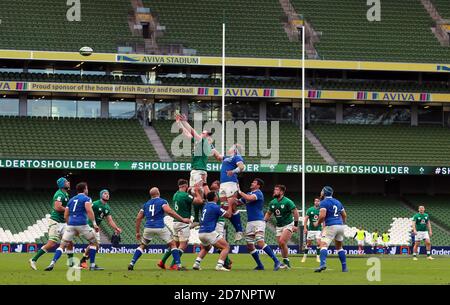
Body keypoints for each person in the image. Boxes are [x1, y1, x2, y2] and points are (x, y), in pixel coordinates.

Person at [128, 187, 191, 270]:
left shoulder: (146, 204)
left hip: (148, 227)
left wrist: (137, 232)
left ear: (151, 195)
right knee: (173, 244)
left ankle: (132, 263)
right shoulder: (162, 201)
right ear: (158, 193)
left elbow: (138, 218)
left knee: (142, 245)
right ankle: (178, 265)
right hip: (160, 227)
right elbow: (169, 211)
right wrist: (182, 219)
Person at [44, 182, 102, 271]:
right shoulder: (87, 199)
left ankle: (52, 263)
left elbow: (66, 215)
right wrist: (94, 223)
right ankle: (93, 265)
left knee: (62, 245)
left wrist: (69, 224)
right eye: (87, 188)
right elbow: (89, 210)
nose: (87, 190)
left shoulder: (71, 200)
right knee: (94, 243)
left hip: (71, 224)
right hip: (82, 224)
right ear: (84, 189)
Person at [29, 177, 74, 270]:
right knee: (51, 243)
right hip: (56, 221)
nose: (68, 182)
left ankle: (71, 264)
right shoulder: (59, 194)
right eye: (66, 182)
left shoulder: (65, 194)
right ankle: (33, 259)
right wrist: (68, 210)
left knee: (69, 242)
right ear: (62, 184)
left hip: (62, 222)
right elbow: (57, 207)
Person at [238, 178, 282, 271]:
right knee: (249, 245)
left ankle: (277, 261)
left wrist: (239, 191)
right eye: (252, 181)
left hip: (258, 221)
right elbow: (238, 202)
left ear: (258, 186)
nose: (252, 183)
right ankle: (260, 265)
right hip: (250, 222)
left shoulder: (258, 193)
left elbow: (249, 198)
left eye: (254, 182)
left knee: (259, 242)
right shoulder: (248, 194)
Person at [158, 179, 203, 269]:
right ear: (185, 186)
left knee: (174, 245)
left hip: (175, 222)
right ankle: (174, 265)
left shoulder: (176, 194)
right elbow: (199, 201)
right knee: (183, 244)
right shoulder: (185, 195)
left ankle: (162, 262)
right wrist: (197, 191)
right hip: (183, 222)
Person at [80, 189, 122, 269]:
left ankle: (83, 260)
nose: (107, 195)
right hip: (89, 225)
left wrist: (116, 228)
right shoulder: (95, 204)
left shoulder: (107, 207)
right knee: (94, 245)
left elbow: (110, 220)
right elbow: (87, 210)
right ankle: (92, 264)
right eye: (105, 193)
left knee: (97, 247)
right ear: (101, 195)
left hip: (96, 228)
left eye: (108, 194)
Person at [192, 192, 232, 271]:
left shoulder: (206, 206)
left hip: (201, 232)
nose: (218, 196)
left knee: (206, 248)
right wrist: (230, 205)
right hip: (209, 232)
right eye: (216, 195)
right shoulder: (215, 207)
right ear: (215, 198)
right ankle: (220, 265)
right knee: (226, 247)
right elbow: (228, 215)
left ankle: (196, 264)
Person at [314, 186, 348, 273]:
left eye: (322, 191)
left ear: (324, 193)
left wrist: (317, 223)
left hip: (331, 226)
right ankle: (344, 268)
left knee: (323, 245)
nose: (321, 193)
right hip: (340, 226)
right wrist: (342, 223)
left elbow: (322, 216)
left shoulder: (324, 202)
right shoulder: (338, 202)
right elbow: (344, 215)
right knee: (339, 247)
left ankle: (322, 264)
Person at [265, 185, 298, 269]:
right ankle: (285, 262)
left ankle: (286, 261)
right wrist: (263, 222)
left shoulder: (287, 201)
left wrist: (295, 225)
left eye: (277, 190)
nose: (274, 191)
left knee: (282, 241)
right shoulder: (272, 202)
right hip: (278, 226)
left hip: (288, 224)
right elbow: (268, 213)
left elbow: (295, 212)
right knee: (281, 244)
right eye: (274, 189)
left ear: (281, 192)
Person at [302, 198, 321, 263]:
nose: (316, 202)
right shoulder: (310, 210)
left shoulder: (321, 210)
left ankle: (318, 257)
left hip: (318, 229)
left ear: (320, 202)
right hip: (311, 230)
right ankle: (304, 257)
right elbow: (306, 219)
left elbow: (323, 219)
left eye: (318, 201)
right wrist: (305, 228)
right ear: (314, 202)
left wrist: (324, 228)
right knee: (308, 244)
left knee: (318, 243)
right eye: (315, 201)